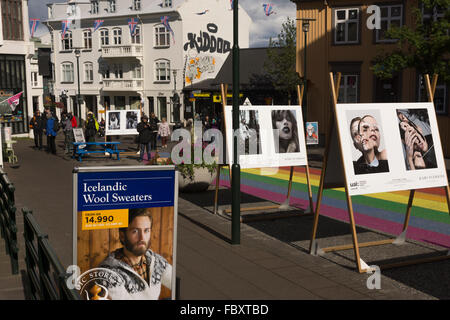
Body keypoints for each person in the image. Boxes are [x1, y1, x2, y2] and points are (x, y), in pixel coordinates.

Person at [99, 208, 172, 300]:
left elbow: (179, 283)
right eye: (135, 231)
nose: (142, 238)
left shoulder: (156, 261)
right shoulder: (108, 273)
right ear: (122, 236)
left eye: (146, 231)